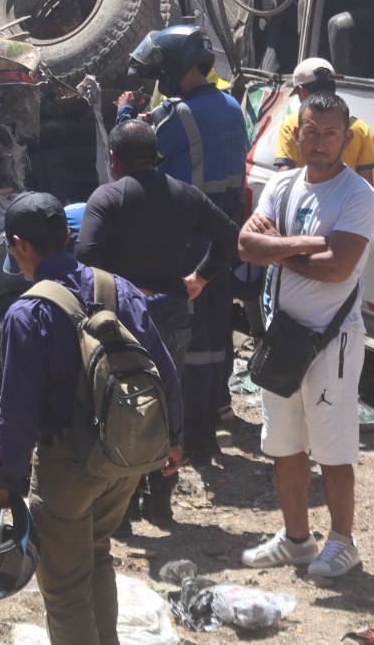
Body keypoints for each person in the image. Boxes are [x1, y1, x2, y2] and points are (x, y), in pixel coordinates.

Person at [0, 192, 184, 645]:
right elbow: (163, 369)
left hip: (69, 466)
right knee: (96, 553)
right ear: (67, 236)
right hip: (126, 458)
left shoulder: (28, 313)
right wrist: (173, 437)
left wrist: (4, 480)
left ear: (20, 245)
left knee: (65, 587)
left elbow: (17, 415)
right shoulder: (118, 289)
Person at [236, 90, 374, 578]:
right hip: (283, 338)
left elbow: (338, 268)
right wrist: (307, 244)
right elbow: (246, 244)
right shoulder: (282, 184)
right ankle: (297, 538)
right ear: (297, 133)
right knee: (284, 444)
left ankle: (344, 541)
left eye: (330, 133)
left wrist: (277, 248)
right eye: (311, 131)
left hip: (331, 342)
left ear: (347, 137)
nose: (319, 142)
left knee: (333, 449)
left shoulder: (358, 195)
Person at [75, 119, 239, 527]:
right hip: (170, 311)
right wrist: (199, 278)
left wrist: (116, 289)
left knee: (118, 402)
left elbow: (85, 257)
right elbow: (229, 236)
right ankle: (160, 500)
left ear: (114, 159)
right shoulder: (186, 195)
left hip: (119, 317)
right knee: (166, 400)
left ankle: (124, 508)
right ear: (156, 156)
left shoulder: (107, 198)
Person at [117, 24, 245, 462]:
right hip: (223, 235)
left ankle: (191, 433)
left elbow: (133, 149)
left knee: (188, 338)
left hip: (188, 239)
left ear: (175, 68)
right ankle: (215, 412)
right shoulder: (231, 105)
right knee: (216, 330)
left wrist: (124, 114)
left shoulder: (179, 115)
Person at [273, 58, 374, 183]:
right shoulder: (360, 128)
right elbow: (367, 184)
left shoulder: (292, 125)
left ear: (303, 91)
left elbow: (284, 177)